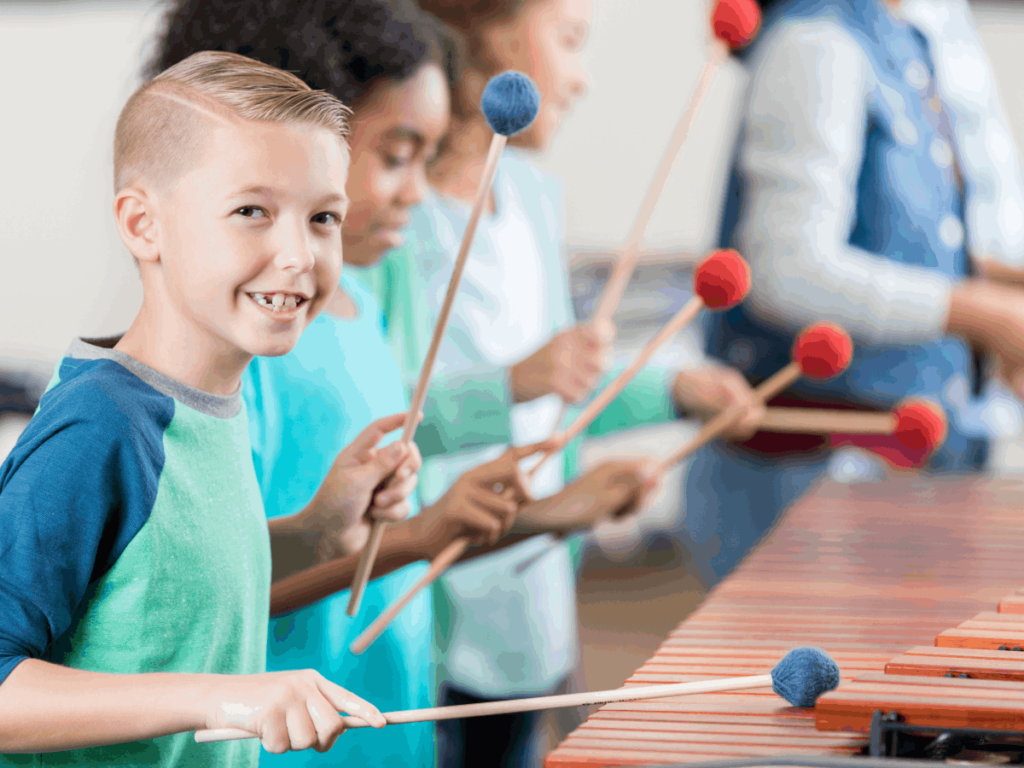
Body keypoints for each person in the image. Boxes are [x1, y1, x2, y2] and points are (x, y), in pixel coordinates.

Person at [149, 2, 660, 765]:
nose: (417, 193)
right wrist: (422, 534)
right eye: (395, 155)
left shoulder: (357, 308)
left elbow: (389, 512)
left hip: (390, 723)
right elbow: (213, 598)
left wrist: (549, 513)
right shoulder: (230, 356)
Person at [358, 0, 767, 763]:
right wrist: (510, 383)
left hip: (534, 591)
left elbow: (558, 396)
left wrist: (674, 393)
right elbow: (377, 425)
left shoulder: (535, 201)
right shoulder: (390, 223)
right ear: (490, 32)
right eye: (571, 42)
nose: (581, 79)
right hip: (425, 601)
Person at [0, 51, 424, 765]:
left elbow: (163, 595)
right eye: (252, 211)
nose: (298, 254)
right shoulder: (100, 428)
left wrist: (318, 531)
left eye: (323, 217)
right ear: (143, 226)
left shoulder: (214, 404)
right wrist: (219, 698)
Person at [686, 0, 1024, 587]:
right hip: (804, 484)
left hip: (900, 474)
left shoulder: (903, 38)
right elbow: (786, 270)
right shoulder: (817, 42)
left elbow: (903, 242)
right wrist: (986, 315)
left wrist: (999, 289)